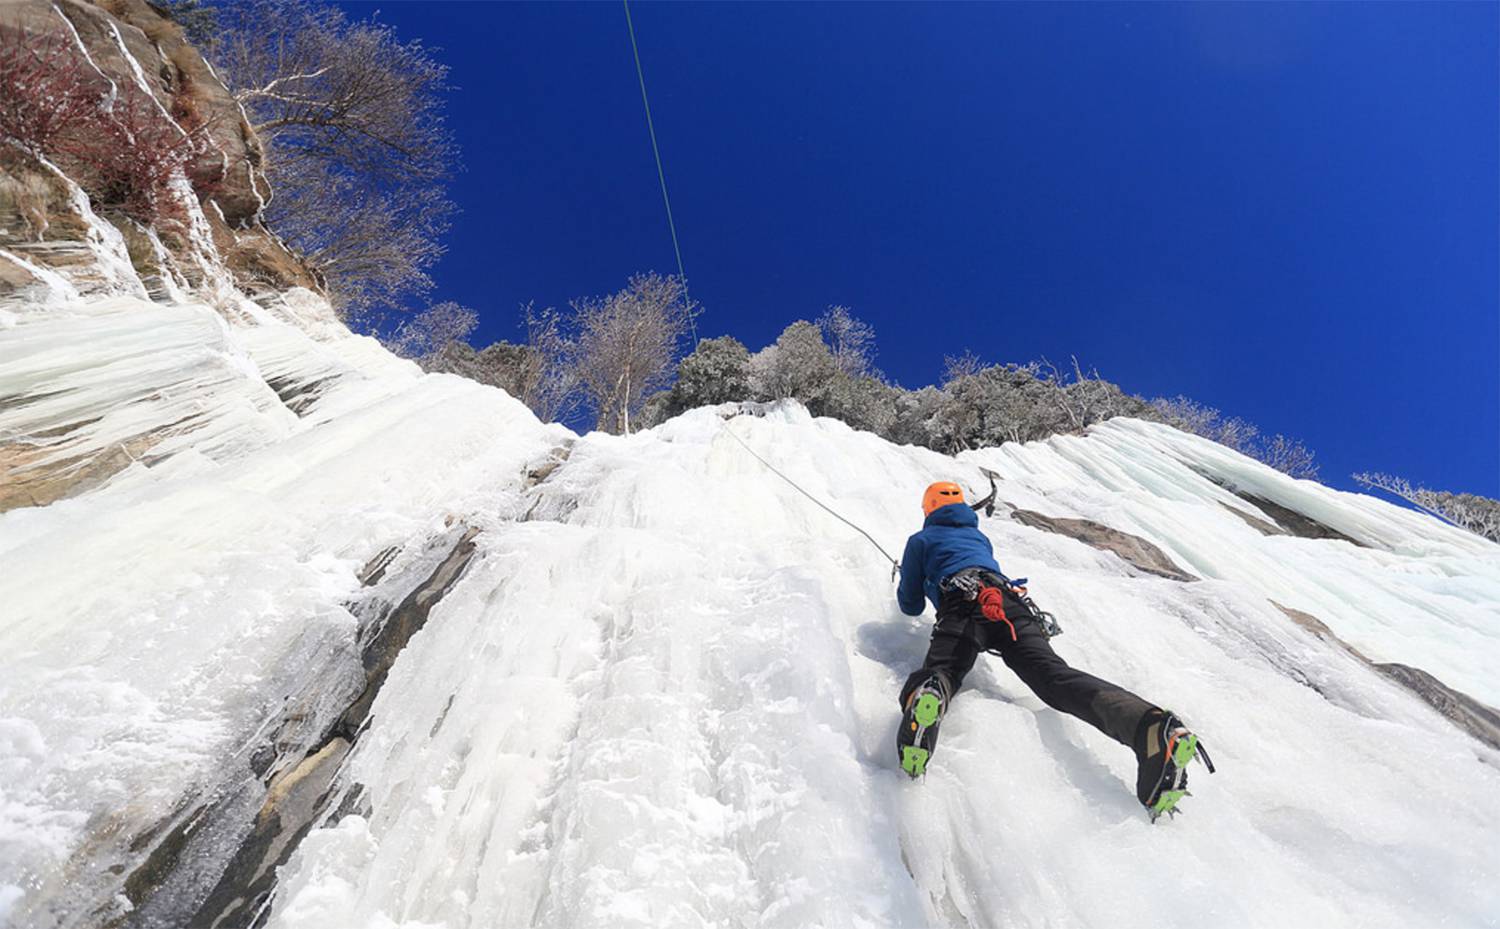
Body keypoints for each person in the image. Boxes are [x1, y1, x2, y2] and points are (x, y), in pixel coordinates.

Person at [895, 481, 1214, 820]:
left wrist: (914, 576)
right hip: (1012, 606)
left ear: (928, 508)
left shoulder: (921, 540)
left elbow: (910, 605)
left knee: (945, 669)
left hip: (964, 604)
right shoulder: (979, 537)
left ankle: (929, 694)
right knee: (1052, 677)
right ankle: (1150, 727)